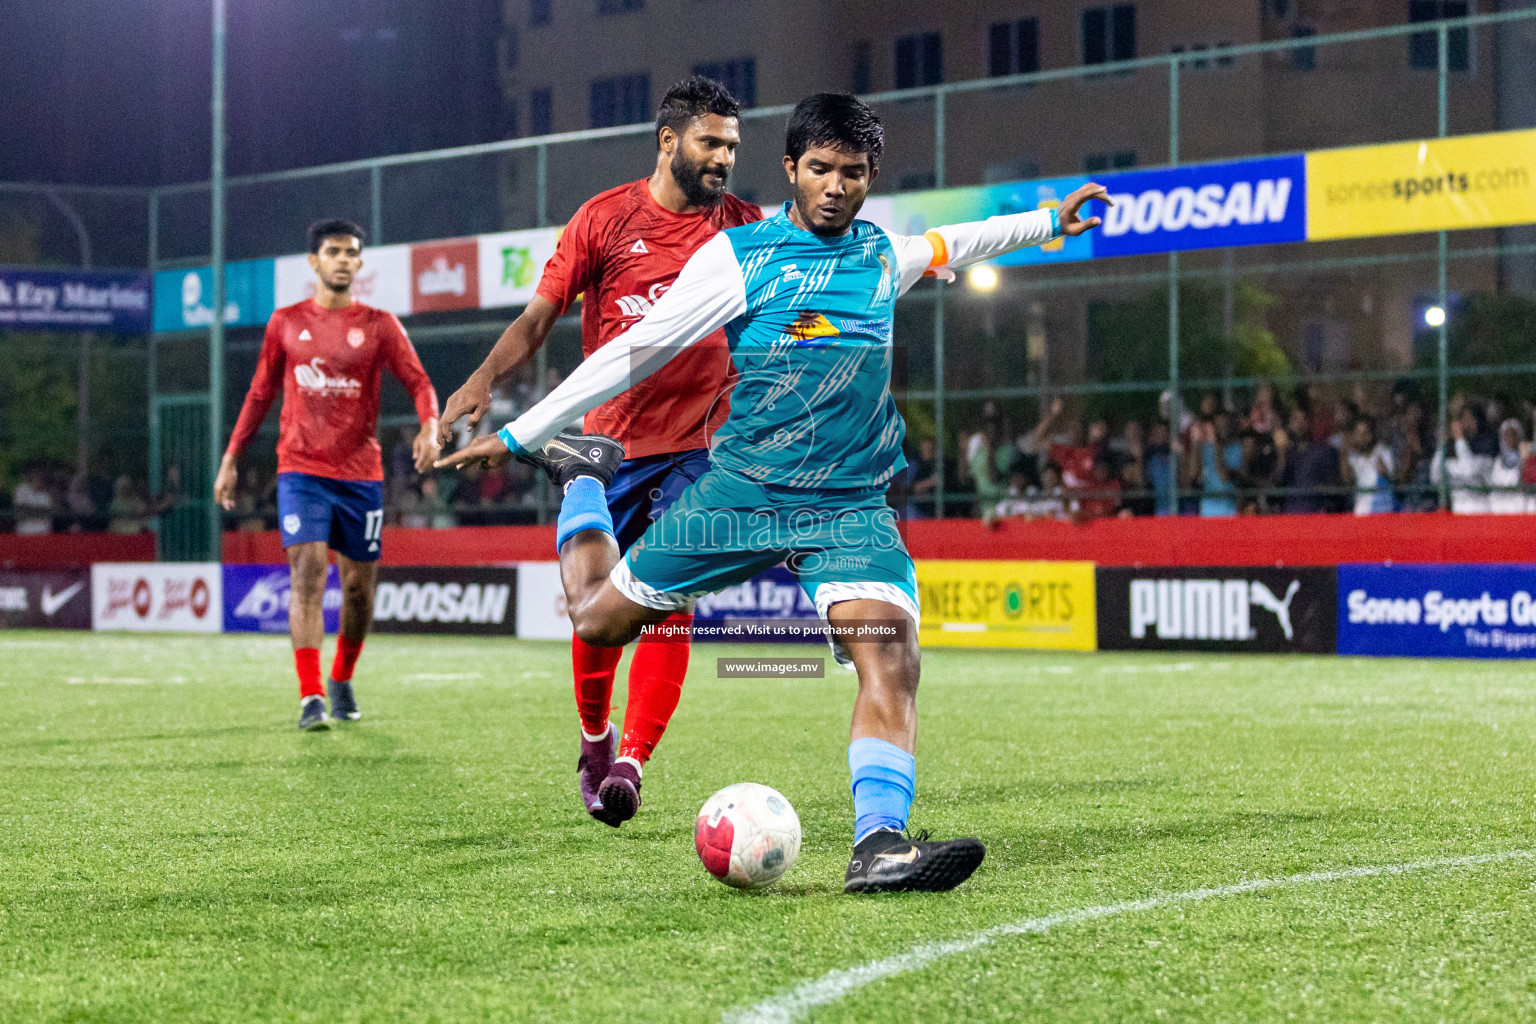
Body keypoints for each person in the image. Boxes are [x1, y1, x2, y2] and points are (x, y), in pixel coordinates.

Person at [438, 93, 1109, 893]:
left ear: (870, 178)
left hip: (849, 507)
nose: (835, 186)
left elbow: (953, 240)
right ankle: (582, 474)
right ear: (790, 169)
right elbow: (632, 352)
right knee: (599, 622)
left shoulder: (882, 257)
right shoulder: (740, 257)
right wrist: (520, 436)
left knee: (892, 657)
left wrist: (1050, 223)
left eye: (852, 173)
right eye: (819, 169)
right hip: (743, 491)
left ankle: (880, 845)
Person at [435, 77, 763, 825]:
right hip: (598, 443)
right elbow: (537, 317)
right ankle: (594, 738)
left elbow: (808, 284)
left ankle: (631, 763)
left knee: (666, 599)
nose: (724, 158)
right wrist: (485, 377)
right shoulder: (606, 219)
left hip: (697, 450)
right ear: (668, 141)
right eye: (711, 143)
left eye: (733, 147)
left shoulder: (746, 226)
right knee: (592, 611)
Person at [216, 218, 440, 731]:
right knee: (308, 571)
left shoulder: (381, 324)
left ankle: (341, 677)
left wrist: (429, 426)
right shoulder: (285, 323)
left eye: (351, 252)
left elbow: (420, 382)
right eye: (333, 251)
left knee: (359, 588)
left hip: (362, 475)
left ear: (359, 263)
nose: (343, 259)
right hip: (301, 470)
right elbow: (258, 395)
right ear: (314, 261)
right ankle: (310, 694)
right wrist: (231, 458)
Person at [1341, 416, 1395, 515]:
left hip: (1383, 512)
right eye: (1358, 434)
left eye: (1365, 433)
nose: (1362, 437)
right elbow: (1347, 481)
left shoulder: (1383, 452)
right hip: (1361, 513)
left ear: (1372, 434)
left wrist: (1382, 470)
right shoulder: (1353, 459)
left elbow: (1392, 477)